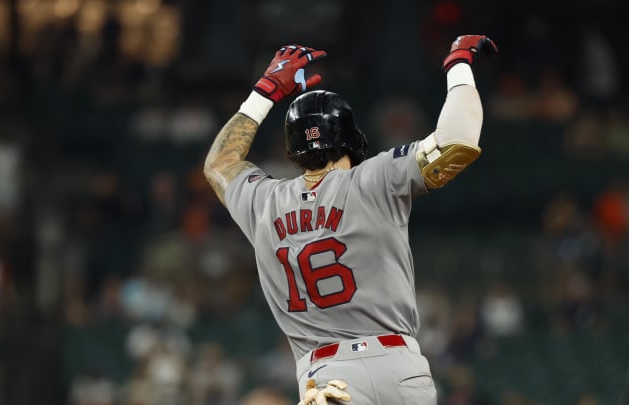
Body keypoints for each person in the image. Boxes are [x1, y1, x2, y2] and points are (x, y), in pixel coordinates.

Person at [204, 36, 498, 405]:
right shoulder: (375, 177)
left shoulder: (263, 201)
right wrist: (458, 64)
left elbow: (219, 164)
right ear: (351, 138)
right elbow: (458, 141)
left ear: (292, 149)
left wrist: (264, 93)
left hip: (327, 378)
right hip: (399, 365)